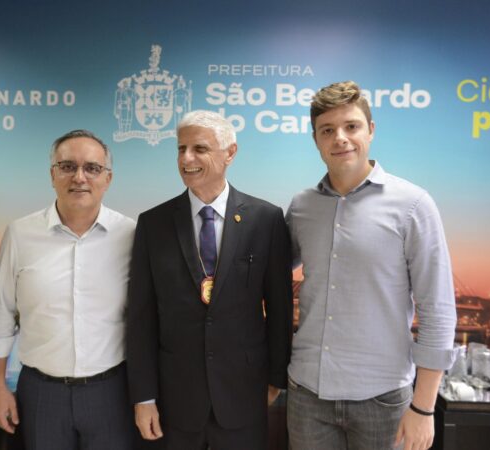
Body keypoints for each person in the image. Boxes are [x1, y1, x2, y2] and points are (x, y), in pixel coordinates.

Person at [285, 81, 457, 450]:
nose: (340, 138)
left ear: (371, 130)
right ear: (315, 139)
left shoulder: (413, 205)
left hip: (383, 401)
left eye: (351, 126)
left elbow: (438, 310)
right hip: (307, 396)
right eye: (327, 130)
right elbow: (264, 271)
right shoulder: (301, 207)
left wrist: (424, 408)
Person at [126, 110, 293, 450]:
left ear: (229, 153)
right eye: (181, 148)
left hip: (244, 396)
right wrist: (143, 397)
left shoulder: (266, 219)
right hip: (174, 402)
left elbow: (279, 308)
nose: (186, 158)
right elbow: (141, 318)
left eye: (199, 148)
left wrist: (276, 379)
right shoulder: (153, 224)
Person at [0, 130, 136, 449]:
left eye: (92, 168)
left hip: (112, 393)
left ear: (108, 179)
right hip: (41, 394)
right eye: (67, 166)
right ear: (52, 174)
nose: (79, 177)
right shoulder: (20, 234)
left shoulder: (132, 235)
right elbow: (1, 317)